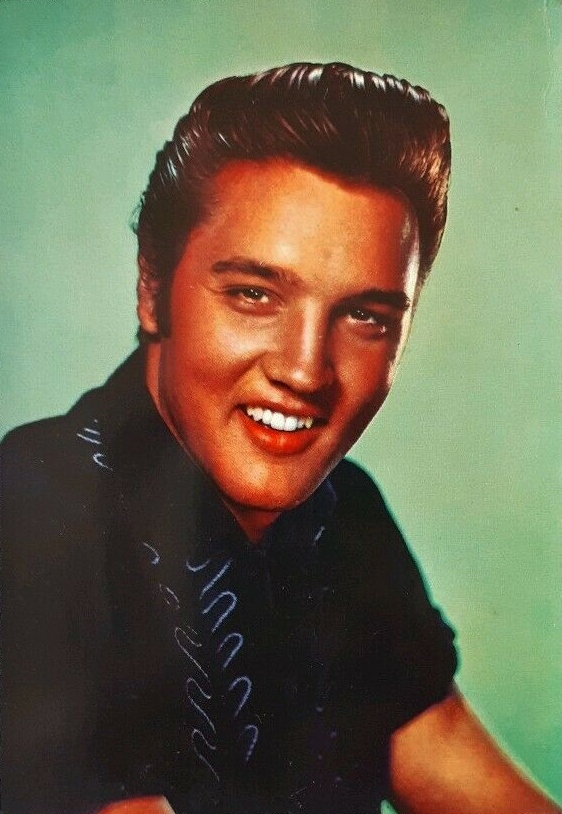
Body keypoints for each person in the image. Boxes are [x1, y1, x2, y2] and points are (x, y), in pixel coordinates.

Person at [1, 62, 559, 814]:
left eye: (364, 316)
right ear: (152, 288)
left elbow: (467, 777)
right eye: (254, 294)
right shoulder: (30, 512)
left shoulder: (342, 513)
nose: (304, 371)